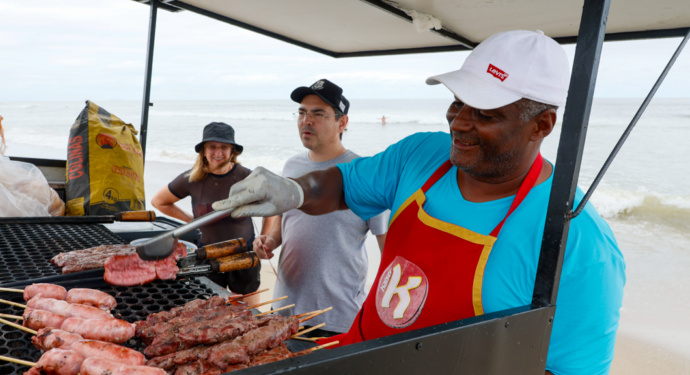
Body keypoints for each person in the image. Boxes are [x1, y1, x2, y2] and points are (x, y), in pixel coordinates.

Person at [213, 30, 625, 374]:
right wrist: (297, 190)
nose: (459, 122)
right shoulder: (421, 155)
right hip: (353, 354)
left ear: (542, 124)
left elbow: (569, 368)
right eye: (457, 101)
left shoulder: (579, 244)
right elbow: (344, 182)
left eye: (484, 113)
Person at [254, 79, 389, 337]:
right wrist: (268, 243)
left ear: (342, 122)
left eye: (318, 114)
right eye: (302, 112)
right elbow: (285, 225)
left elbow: (388, 248)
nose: (307, 120)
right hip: (284, 308)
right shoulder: (291, 167)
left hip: (337, 315)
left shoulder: (365, 174)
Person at [151, 122, 261, 304]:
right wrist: (192, 221)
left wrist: (264, 236)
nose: (218, 153)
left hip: (244, 253)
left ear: (232, 150)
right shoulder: (192, 178)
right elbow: (159, 201)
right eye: (212, 147)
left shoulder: (246, 176)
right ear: (203, 150)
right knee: (213, 313)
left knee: (248, 313)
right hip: (207, 253)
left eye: (224, 147)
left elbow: (273, 207)